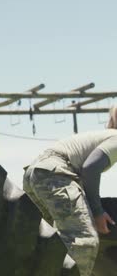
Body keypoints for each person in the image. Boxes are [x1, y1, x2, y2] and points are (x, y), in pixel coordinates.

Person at [23, 106, 117, 276]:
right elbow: (91, 168)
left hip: (35, 174)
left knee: (47, 241)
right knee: (84, 240)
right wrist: (97, 212)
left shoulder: (104, 136)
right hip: (54, 175)